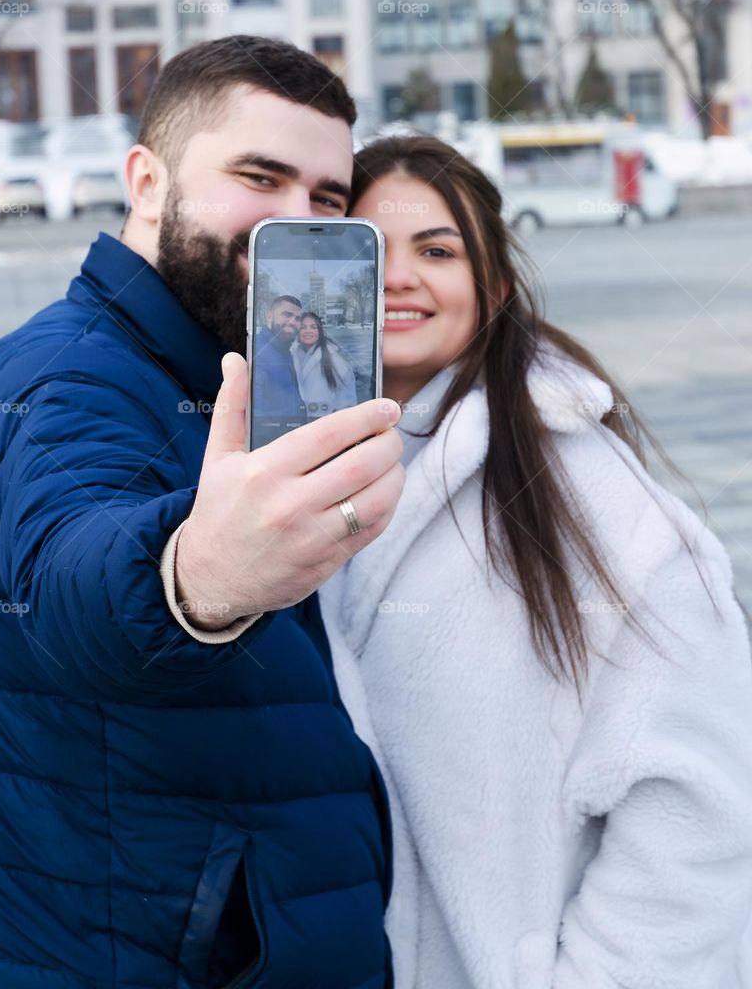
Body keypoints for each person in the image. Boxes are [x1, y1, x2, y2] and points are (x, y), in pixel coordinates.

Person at [0, 35, 406, 989]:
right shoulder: (61, 379)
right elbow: (73, 575)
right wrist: (194, 579)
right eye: (260, 177)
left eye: (327, 199)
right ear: (147, 182)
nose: (292, 222)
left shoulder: (242, 378)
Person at [320, 133, 752, 989]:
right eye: (369, 249)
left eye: (437, 250)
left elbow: (699, 804)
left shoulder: (591, 501)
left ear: (495, 286)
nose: (400, 277)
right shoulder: (274, 482)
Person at [252, 295, 308, 441]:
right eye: (287, 315)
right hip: (274, 449)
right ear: (269, 316)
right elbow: (253, 413)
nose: (292, 322)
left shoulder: (284, 352)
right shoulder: (258, 353)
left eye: (297, 318)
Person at [291, 311, 358, 418]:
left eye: (313, 327)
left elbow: (347, 401)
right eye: (303, 327)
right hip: (298, 424)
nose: (308, 331)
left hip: (326, 425)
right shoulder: (292, 355)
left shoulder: (335, 360)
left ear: (320, 331)